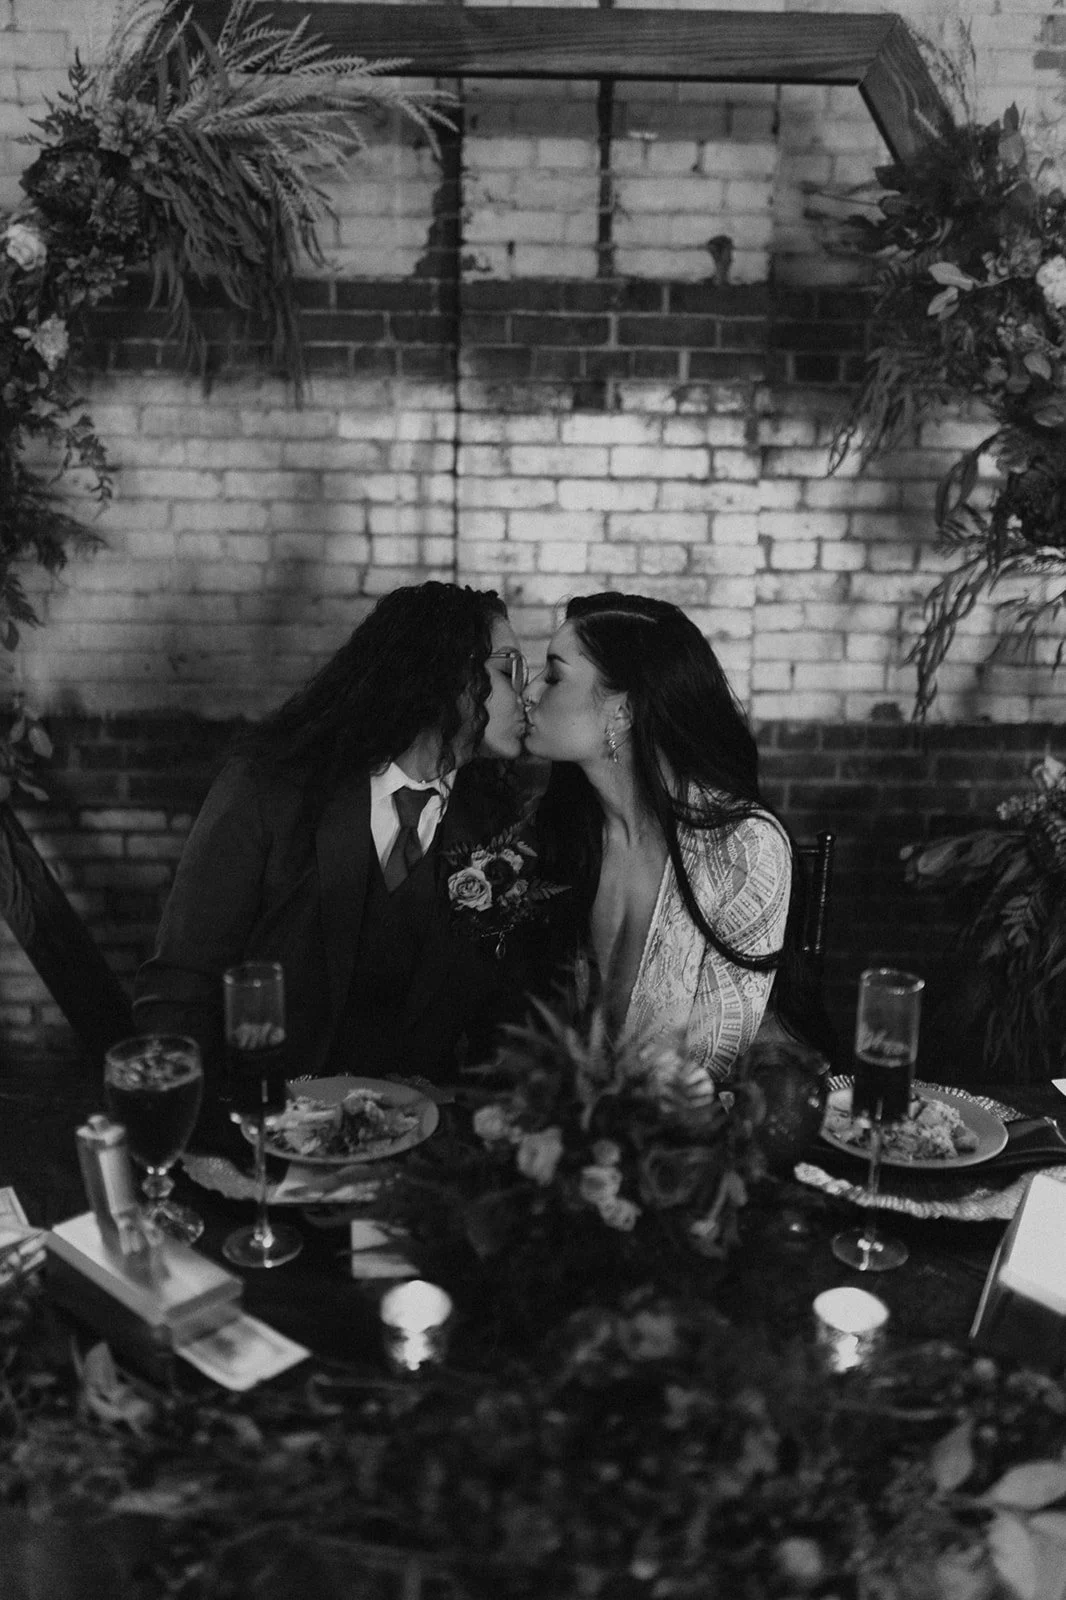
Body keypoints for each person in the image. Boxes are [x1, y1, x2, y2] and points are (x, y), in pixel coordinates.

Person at [133, 582, 530, 1128]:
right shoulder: (268, 787)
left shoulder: (500, 828)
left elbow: (504, 1026)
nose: (526, 694)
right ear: (449, 673)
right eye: (509, 668)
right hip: (264, 1134)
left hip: (414, 1153)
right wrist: (206, 1133)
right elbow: (180, 987)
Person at [524, 592, 833, 1088]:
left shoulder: (742, 848)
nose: (530, 692)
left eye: (554, 676)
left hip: (689, 1145)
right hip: (571, 1140)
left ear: (622, 712)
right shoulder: (559, 830)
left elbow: (713, 1068)